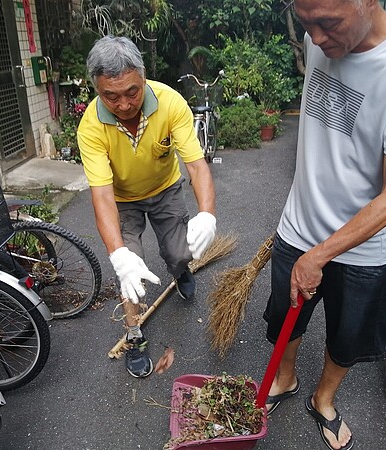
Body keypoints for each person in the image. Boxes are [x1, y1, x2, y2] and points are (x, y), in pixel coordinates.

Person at [262, 1, 386, 449]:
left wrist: (320, 255)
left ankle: (323, 399)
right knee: (285, 318)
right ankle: (284, 379)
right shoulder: (318, 38)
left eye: (328, 24)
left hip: (364, 251)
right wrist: (305, 242)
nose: (317, 40)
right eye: (307, 24)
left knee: (347, 337)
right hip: (297, 229)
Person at [77, 35, 216, 379]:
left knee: (180, 252)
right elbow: (102, 195)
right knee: (130, 274)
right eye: (110, 95)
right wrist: (117, 254)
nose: (123, 104)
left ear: (143, 76)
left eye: (132, 92)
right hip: (122, 201)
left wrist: (208, 214)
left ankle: (180, 270)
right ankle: (134, 335)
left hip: (165, 188)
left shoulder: (170, 104)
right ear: (96, 88)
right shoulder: (91, 127)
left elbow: (196, 165)